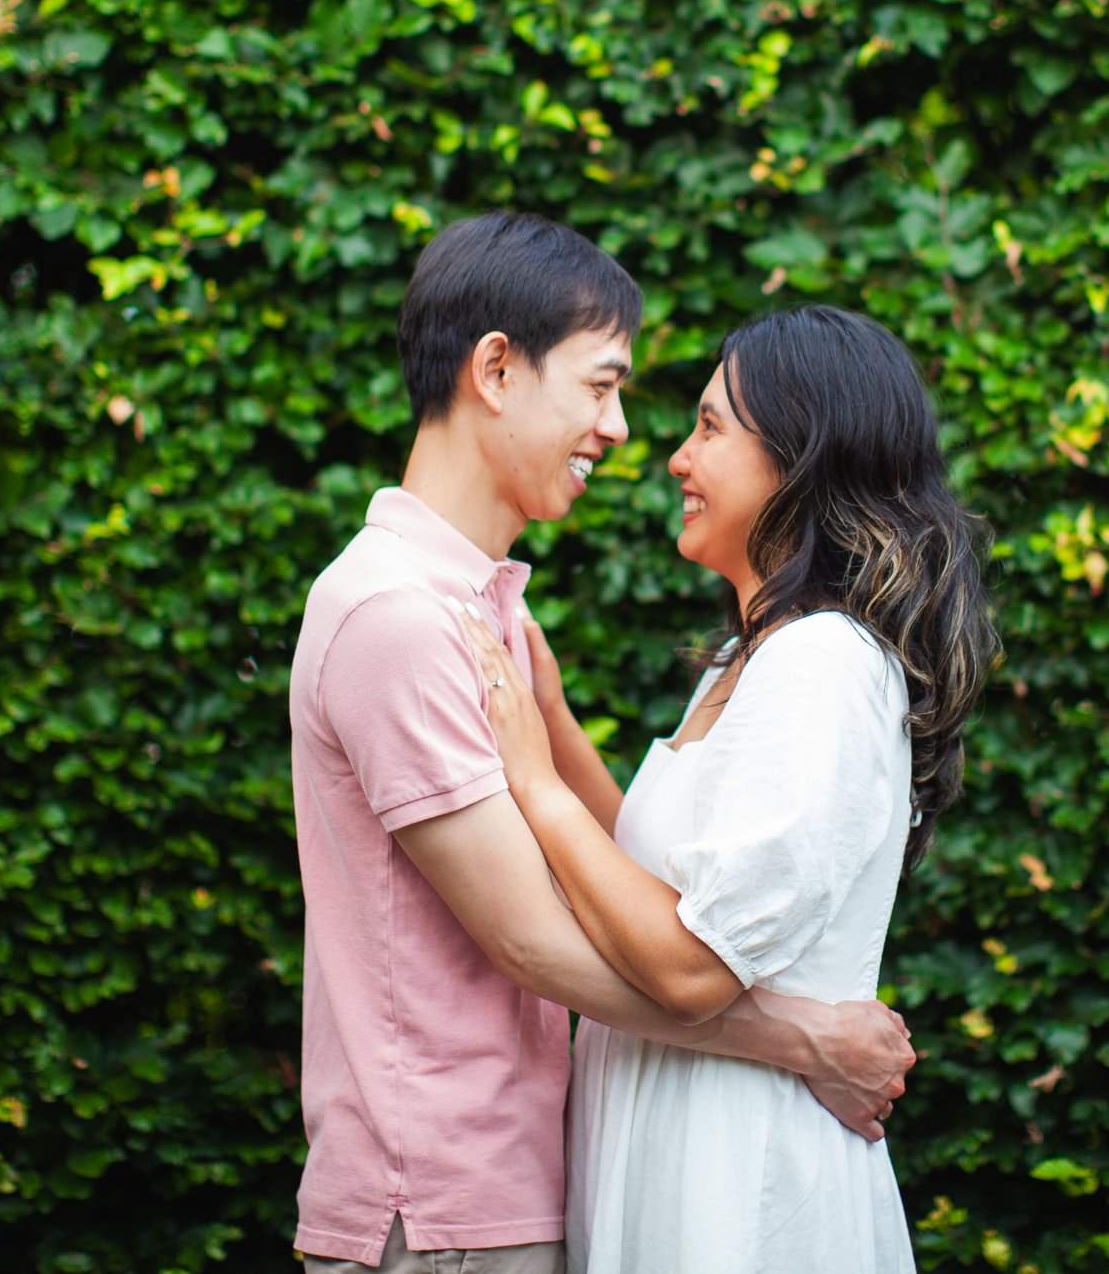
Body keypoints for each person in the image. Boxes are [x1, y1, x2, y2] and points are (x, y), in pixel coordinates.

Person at [288, 218, 917, 1273]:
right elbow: (531, 938)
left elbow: (643, 881)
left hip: (517, 1188)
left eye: (697, 422)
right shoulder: (396, 612)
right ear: (496, 368)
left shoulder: (480, 614)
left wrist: (554, 744)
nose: (629, 431)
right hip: (442, 1204)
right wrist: (801, 1036)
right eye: (599, 385)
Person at [464, 303, 996, 1274]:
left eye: (709, 426)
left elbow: (690, 964)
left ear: (801, 457)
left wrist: (533, 778)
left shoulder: (824, 664)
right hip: (679, 1138)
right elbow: (658, 878)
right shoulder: (753, 657)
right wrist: (554, 721)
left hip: (743, 1181)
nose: (674, 455)